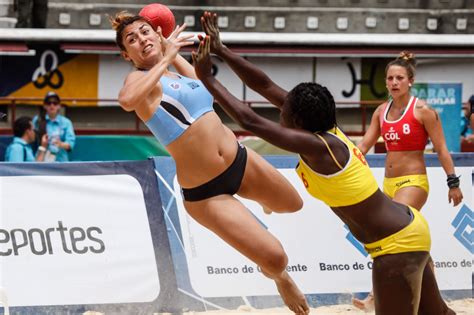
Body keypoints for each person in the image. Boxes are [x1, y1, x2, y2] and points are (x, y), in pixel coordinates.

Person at [193, 12, 455, 314]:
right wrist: (222, 49)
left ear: (298, 121)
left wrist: (208, 78)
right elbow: (264, 84)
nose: (280, 111)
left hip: (396, 244)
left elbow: (251, 121)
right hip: (407, 229)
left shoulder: (320, 147)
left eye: (284, 112)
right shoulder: (326, 131)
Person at [110, 11, 309, 315]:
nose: (141, 39)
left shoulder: (177, 72)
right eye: (132, 39)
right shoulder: (138, 80)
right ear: (127, 54)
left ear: (158, 35)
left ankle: (260, 199)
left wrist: (171, 53)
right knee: (276, 259)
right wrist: (165, 56)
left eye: (146, 32)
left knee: (293, 205)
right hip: (207, 193)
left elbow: (204, 84)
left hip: (239, 160)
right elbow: (126, 100)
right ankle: (281, 279)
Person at [351, 51, 464, 310]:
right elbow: (366, 143)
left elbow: (442, 149)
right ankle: (435, 301)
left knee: (393, 234)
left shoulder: (423, 111)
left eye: (399, 77)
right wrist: (346, 160)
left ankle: (373, 297)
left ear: (410, 80)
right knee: (413, 243)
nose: (394, 82)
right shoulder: (381, 110)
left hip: (413, 182)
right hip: (389, 183)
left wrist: (453, 183)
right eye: (390, 78)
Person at [33, 91, 76, 162]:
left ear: (59, 106)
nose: (52, 105)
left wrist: (61, 144)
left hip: (61, 161)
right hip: (42, 161)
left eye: (55, 103)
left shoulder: (66, 122)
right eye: (48, 103)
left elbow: (71, 144)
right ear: (44, 106)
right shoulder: (37, 120)